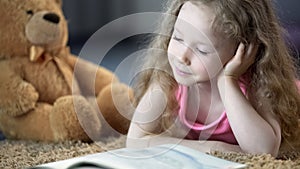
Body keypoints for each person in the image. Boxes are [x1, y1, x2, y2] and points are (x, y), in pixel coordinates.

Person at [126, 0, 300, 157]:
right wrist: (213, 147)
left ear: (242, 50)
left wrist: (227, 81)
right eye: (178, 37)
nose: (182, 57)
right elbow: (135, 141)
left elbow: (264, 151)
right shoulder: (167, 79)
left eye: (202, 50)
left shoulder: (257, 83)